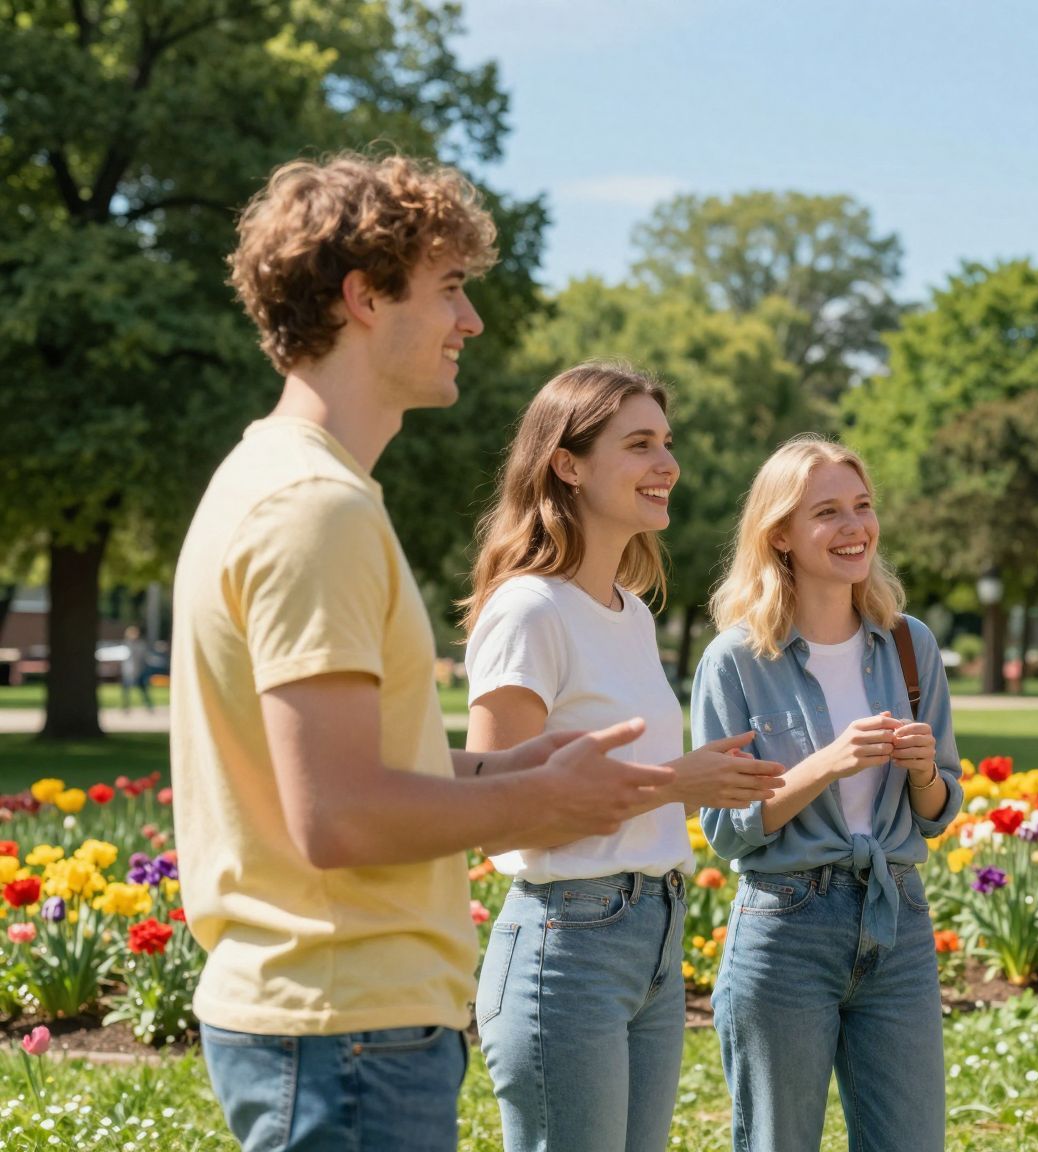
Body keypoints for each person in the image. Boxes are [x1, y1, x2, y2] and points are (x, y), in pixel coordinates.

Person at [173, 153, 679, 1152]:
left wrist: (501, 768)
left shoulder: (283, 482)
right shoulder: (312, 509)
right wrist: (539, 803)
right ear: (364, 297)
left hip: (346, 1027)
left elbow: (328, 778)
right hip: (345, 1028)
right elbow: (338, 817)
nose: (471, 321)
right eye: (449, 288)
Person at [459, 361, 785, 1152]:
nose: (666, 464)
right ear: (567, 464)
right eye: (639, 444)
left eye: (666, 443)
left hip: (653, 936)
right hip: (566, 947)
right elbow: (491, 811)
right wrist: (678, 784)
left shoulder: (630, 614)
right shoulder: (529, 609)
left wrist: (694, 779)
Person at [691, 435, 964, 1152]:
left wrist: (924, 773)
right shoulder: (737, 660)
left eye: (863, 506)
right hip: (786, 931)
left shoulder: (910, 646)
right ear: (780, 534)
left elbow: (939, 815)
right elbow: (726, 830)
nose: (855, 528)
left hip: (897, 921)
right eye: (828, 513)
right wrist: (826, 764)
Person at [120, 624, 154, 713]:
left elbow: (144, 658)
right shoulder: (126, 645)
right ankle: (125, 708)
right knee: (126, 691)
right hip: (128, 671)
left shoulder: (140, 645)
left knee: (143, 690)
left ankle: (149, 707)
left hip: (139, 671)